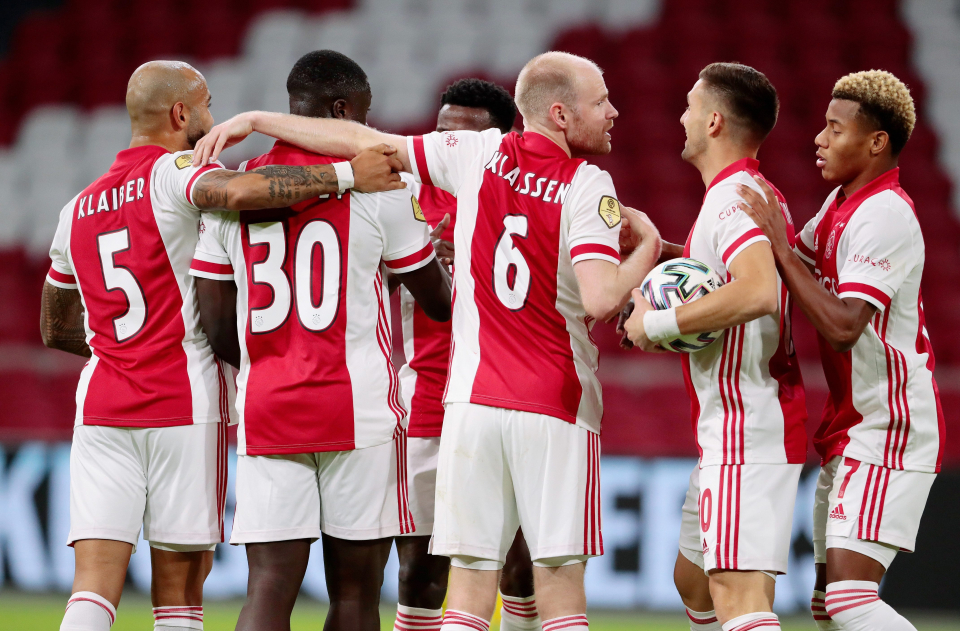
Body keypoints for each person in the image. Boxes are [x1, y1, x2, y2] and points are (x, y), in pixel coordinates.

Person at [193, 50, 663, 631]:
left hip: (457, 402)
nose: (613, 111)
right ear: (561, 114)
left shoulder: (473, 158)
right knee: (541, 584)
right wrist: (648, 249)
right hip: (519, 402)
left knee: (463, 585)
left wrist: (256, 119)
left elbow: (364, 141)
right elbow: (596, 296)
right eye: (602, 101)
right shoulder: (578, 184)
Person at [40, 60, 402, 631]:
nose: (212, 117)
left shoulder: (76, 208)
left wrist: (122, 354)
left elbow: (55, 327)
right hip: (182, 401)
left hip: (101, 407)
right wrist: (346, 175)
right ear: (181, 114)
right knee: (179, 592)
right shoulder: (174, 173)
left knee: (91, 589)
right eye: (206, 105)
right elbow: (236, 189)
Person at [188, 50, 451, 631]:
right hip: (359, 410)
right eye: (363, 116)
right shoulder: (381, 185)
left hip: (269, 405)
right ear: (342, 111)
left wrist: (267, 361)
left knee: (268, 585)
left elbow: (216, 322)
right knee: (355, 595)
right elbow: (438, 303)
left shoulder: (236, 188)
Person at [736, 70, 942, 631]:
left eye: (835, 128)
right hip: (852, 424)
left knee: (851, 600)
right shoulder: (840, 204)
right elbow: (781, 269)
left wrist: (780, 247)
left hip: (890, 424)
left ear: (877, 142)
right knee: (829, 606)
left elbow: (845, 325)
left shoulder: (885, 214)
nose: (819, 138)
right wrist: (664, 252)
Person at [620, 62, 807, 631]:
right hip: (734, 426)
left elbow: (757, 291)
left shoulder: (733, 199)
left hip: (749, 426)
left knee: (738, 595)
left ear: (715, 121)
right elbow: (731, 275)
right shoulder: (743, 195)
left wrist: (656, 323)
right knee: (695, 580)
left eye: (689, 106)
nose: (681, 118)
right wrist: (664, 253)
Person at [392, 77, 542, 631]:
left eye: (463, 136)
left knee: (521, 566)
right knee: (420, 571)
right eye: (441, 133)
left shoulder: (531, 195)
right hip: (427, 400)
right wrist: (414, 262)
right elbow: (360, 280)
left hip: (509, 397)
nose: (446, 146)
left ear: (499, 142)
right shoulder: (402, 194)